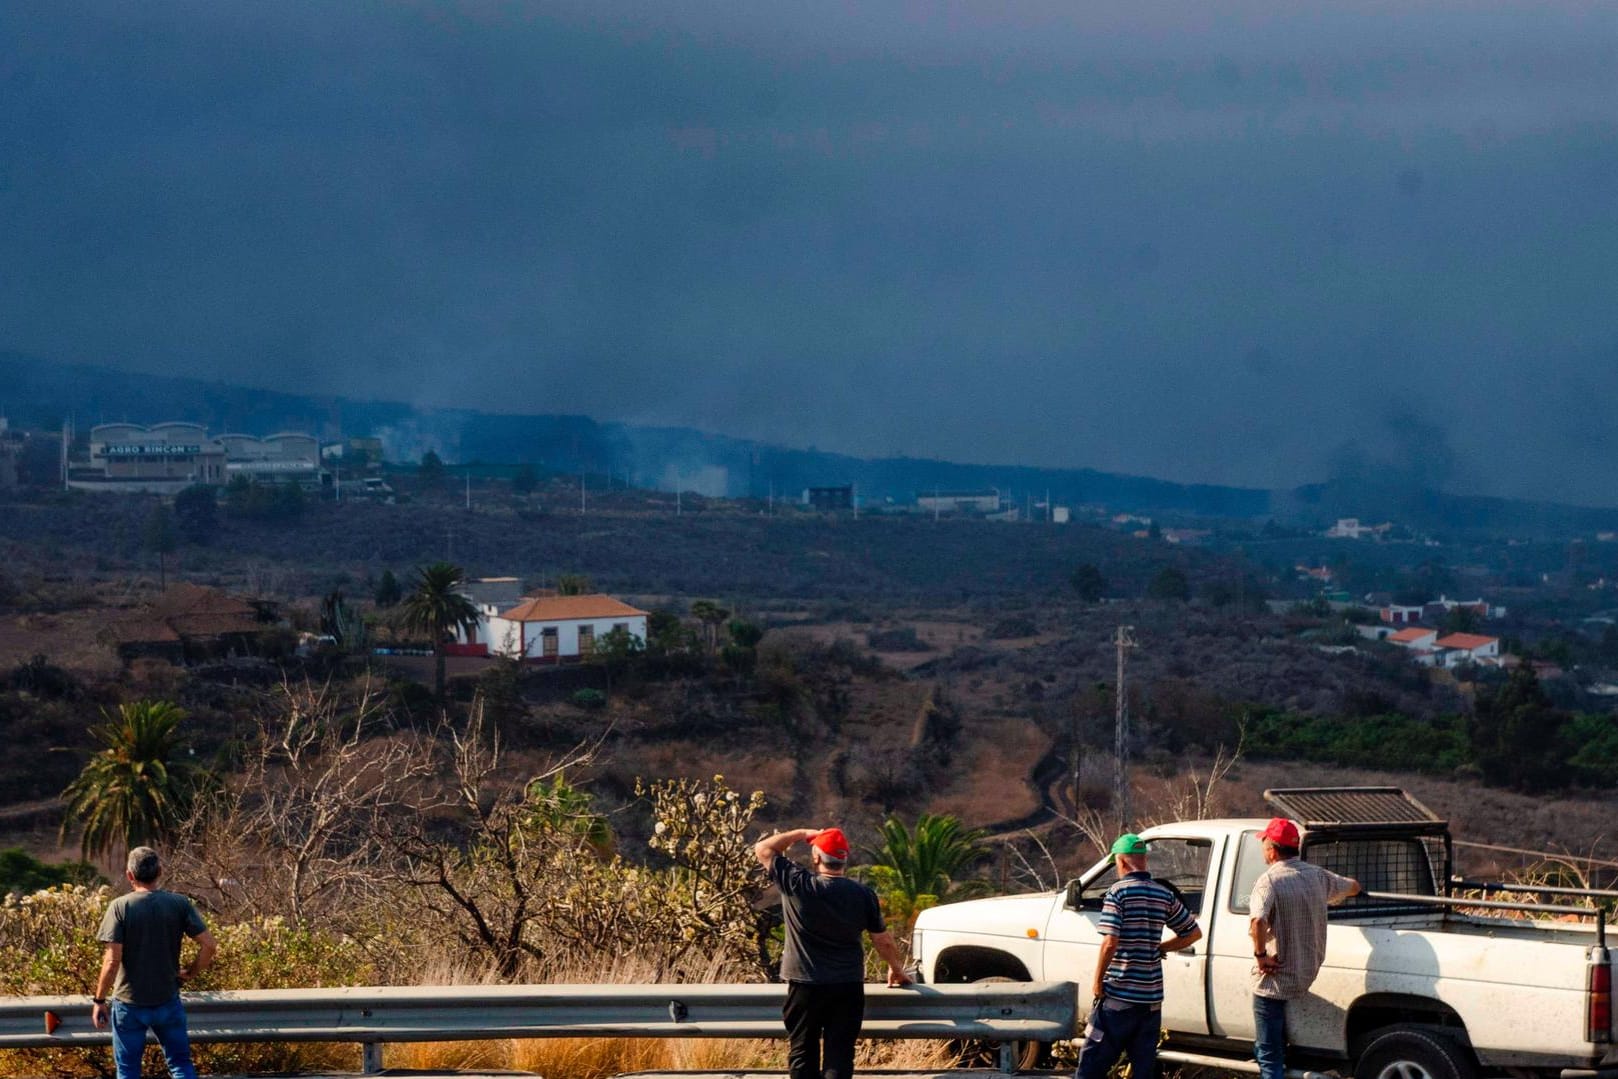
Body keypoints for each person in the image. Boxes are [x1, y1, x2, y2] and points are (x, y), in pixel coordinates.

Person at [754, 826, 912, 1079]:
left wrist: (800, 833)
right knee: (839, 1054)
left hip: (805, 985)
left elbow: (763, 849)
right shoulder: (863, 894)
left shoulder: (798, 883)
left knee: (802, 1052)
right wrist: (897, 970)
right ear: (844, 861)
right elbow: (882, 940)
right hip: (847, 986)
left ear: (816, 857)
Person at [1076, 833, 1202, 1079]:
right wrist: (1162, 948)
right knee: (1143, 1070)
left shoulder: (1117, 893)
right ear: (1143, 860)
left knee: (1091, 1065)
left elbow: (1110, 942)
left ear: (1121, 862)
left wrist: (1097, 981)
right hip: (1151, 1001)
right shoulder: (1163, 894)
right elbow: (1193, 933)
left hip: (1119, 998)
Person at [91, 847, 218, 1079]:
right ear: (160, 871)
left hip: (129, 1003)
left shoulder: (120, 907)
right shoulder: (179, 904)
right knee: (180, 1065)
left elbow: (111, 961)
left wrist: (99, 1000)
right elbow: (209, 945)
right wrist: (191, 972)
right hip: (167, 999)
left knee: (128, 1071)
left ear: (130, 875)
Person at [1249, 818, 1361, 1079]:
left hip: (1274, 983)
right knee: (1271, 1048)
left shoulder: (1268, 881)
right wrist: (1357, 889)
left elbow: (1257, 921)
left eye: (1264, 844)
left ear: (1272, 850)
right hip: (1306, 973)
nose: (1263, 849)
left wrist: (1260, 955)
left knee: (1269, 1058)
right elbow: (1353, 887)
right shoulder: (1317, 876)